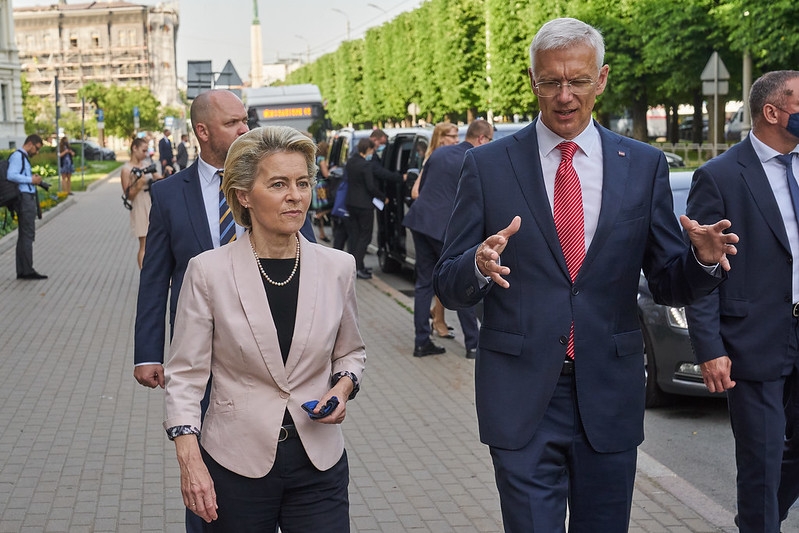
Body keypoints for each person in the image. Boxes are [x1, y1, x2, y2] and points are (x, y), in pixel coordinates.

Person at [433, 17, 738, 532]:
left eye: (578, 80)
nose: (565, 96)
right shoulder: (487, 166)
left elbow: (664, 281)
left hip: (610, 392)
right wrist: (477, 267)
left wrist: (702, 261)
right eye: (551, 81)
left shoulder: (641, 165)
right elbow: (447, 280)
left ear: (602, 79)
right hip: (521, 394)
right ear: (532, 81)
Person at [163, 125, 366, 531]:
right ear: (243, 195)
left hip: (318, 463)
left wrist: (342, 388)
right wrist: (190, 459)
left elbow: (350, 352)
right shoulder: (208, 272)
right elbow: (185, 376)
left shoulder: (338, 267)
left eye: (303, 182)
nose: (296, 195)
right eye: (278, 184)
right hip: (235, 463)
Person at [685, 70, 799, 532]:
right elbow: (702, 271)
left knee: (783, 466)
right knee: (762, 459)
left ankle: (759, 516)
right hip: (753, 341)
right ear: (772, 112)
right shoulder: (719, 177)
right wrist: (709, 348)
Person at [404, 119, 493, 358]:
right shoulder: (473, 159)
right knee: (462, 280)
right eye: (490, 140)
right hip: (441, 228)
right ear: (482, 139)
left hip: (419, 220)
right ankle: (473, 345)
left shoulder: (439, 153)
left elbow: (422, 190)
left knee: (424, 284)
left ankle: (421, 341)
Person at [410, 121, 460, 339]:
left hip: (424, 222)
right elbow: (415, 192)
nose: (456, 140)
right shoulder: (436, 157)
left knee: (427, 281)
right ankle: (438, 321)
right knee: (442, 276)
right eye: (452, 136)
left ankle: (427, 330)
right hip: (436, 225)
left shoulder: (441, 156)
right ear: (441, 138)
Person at [8, 134, 46, 280]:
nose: (36, 152)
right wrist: (31, 179)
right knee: (27, 234)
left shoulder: (22, 158)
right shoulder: (18, 156)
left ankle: (23, 269)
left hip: (26, 197)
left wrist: (32, 178)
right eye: (36, 149)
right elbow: (11, 175)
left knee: (25, 235)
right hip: (24, 199)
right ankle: (27, 270)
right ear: (30, 144)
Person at [121, 137, 163, 269]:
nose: (145, 154)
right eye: (143, 150)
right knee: (144, 243)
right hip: (139, 205)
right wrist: (139, 184)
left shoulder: (146, 164)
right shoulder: (126, 169)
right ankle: (146, 277)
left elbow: (160, 180)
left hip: (152, 202)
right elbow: (129, 196)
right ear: (134, 148)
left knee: (157, 241)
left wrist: (167, 173)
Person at [344, 137, 382, 279]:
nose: (373, 152)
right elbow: (371, 187)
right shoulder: (365, 165)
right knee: (365, 237)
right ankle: (358, 267)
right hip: (364, 205)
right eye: (372, 150)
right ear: (368, 149)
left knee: (355, 235)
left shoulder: (351, 162)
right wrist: (382, 197)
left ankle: (354, 265)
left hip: (351, 202)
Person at [314, 140, 331, 242]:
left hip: (316, 185)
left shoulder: (315, 158)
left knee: (318, 209)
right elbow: (326, 174)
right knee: (329, 205)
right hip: (322, 187)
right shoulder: (322, 159)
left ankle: (321, 233)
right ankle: (319, 215)